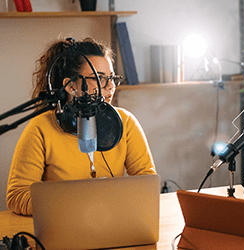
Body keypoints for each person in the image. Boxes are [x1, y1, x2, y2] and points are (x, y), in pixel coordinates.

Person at [7, 37, 156, 216]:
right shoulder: (40, 127)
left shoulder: (126, 122)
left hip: (112, 221)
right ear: (70, 86)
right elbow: (17, 196)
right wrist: (75, 205)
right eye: (99, 78)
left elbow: (147, 183)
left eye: (112, 78)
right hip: (62, 225)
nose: (110, 87)